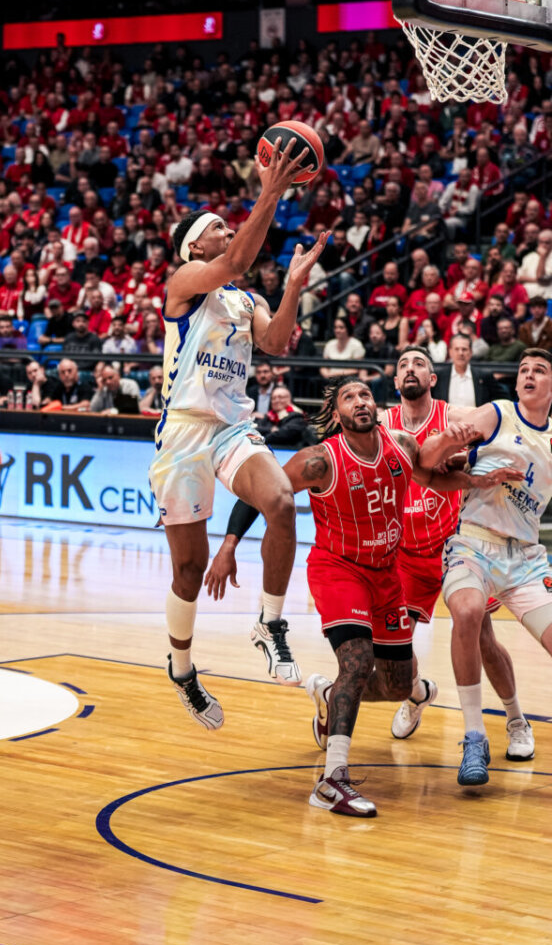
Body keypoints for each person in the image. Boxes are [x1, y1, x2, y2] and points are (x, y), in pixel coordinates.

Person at [206, 375, 503, 816]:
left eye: (365, 394)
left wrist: (474, 483)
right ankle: (331, 781)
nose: (360, 401)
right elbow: (263, 495)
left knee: (400, 684)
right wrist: (228, 545)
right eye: (349, 397)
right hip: (338, 570)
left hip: (386, 574)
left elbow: (430, 477)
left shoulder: (400, 443)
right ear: (337, 413)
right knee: (358, 662)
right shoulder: (319, 461)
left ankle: (330, 697)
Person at [148, 137, 327, 729]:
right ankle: (181, 667)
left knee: (278, 499)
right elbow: (235, 262)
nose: (227, 230)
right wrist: (272, 187)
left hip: (232, 428)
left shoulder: (244, 299)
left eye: (231, 224)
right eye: (217, 227)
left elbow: (275, 342)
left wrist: (295, 286)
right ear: (193, 246)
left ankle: (270, 622)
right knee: (188, 570)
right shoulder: (184, 283)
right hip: (183, 434)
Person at [381, 348, 530, 755]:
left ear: (433, 379)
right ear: (395, 382)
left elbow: (508, 429)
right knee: (393, 653)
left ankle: (516, 720)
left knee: (483, 637)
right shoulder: (383, 423)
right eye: (403, 366)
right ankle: (416, 695)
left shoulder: (456, 416)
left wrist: (475, 461)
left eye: (419, 364)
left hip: (453, 545)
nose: (410, 369)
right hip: (405, 553)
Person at [443, 349, 552, 787]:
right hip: (474, 542)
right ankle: (473, 736)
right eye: (523, 369)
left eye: (539, 370)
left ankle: (517, 721)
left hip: (525, 558)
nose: (528, 375)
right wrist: (455, 441)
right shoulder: (499, 412)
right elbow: (446, 442)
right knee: (468, 614)